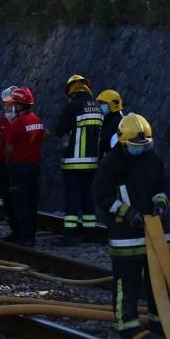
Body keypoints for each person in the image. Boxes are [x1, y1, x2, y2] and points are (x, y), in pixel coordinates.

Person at [93, 113, 167, 339]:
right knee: (128, 283)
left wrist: (160, 203)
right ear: (124, 142)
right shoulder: (111, 163)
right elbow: (102, 196)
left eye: (143, 145)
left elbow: (165, 186)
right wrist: (127, 212)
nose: (139, 149)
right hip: (126, 236)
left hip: (155, 234)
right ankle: (129, 328)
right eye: (135, 145)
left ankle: (160, 324)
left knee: (159, 283)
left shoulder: (152, 159)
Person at [55, 74, 103, 244]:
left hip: (74, 162)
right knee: (88, 197)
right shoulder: (96, 106)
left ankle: (69, 235)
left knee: (72, 199)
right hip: (92, 162)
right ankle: (90, 234)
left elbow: (59, 129)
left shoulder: (73, 106)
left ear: (71, 90)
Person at [1, 87, 46, 247]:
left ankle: (24, 236)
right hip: (34, 166)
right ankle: (31, 235)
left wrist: (8, 160)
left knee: (20, 203)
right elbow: (44, 137)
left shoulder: (17, 124)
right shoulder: (38, 122)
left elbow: (8, 149)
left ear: (19, 105)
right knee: (32, 201)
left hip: (19, 168)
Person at [0, 86, 19, 240]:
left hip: (17, 165)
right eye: (5, 105)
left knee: (18, 197)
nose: (7, 108)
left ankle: (21, 229)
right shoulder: (2, 121)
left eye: (10, 105)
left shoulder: (21, 120)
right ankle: (13, 228)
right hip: (4, 164)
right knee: (6, 196)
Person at [96, 89, 125, 158]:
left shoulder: (114, 123)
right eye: (100, 103)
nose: (100, 106)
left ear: (112, 105)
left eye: (103, 104)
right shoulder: (111, 118)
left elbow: (101, 143)